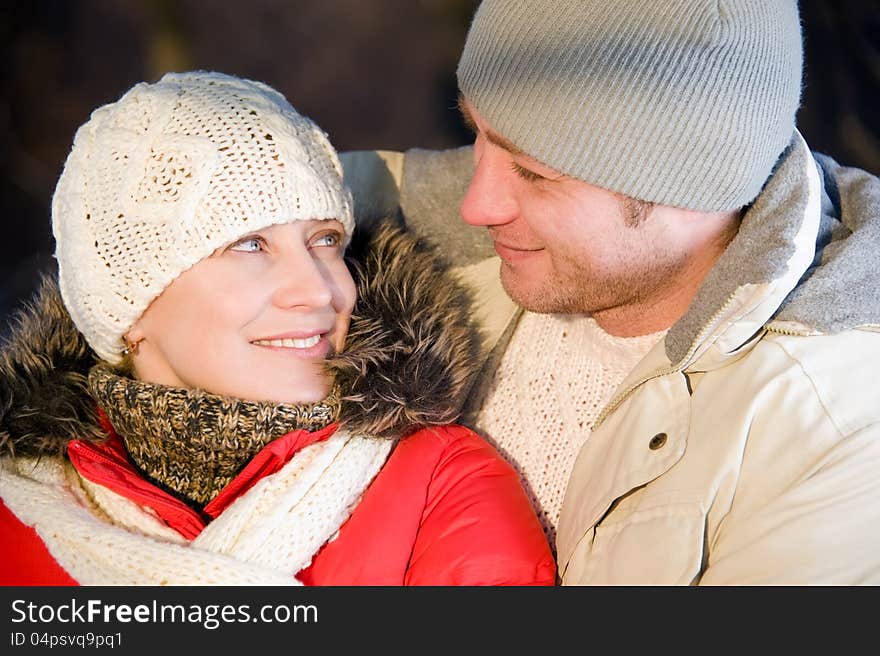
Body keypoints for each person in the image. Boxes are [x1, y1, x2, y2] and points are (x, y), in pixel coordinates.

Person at [339, 0, 880, 584]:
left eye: (535, 173)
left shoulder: (834, 428)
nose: (475, 205)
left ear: (694, 185)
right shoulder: (414, 223)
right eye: (478, 134)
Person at [0, 71, 556, 586]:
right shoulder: (22, 508)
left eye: (325, 241)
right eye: (249, 245)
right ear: (132, 309)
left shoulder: (441, 486)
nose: (318, 290)